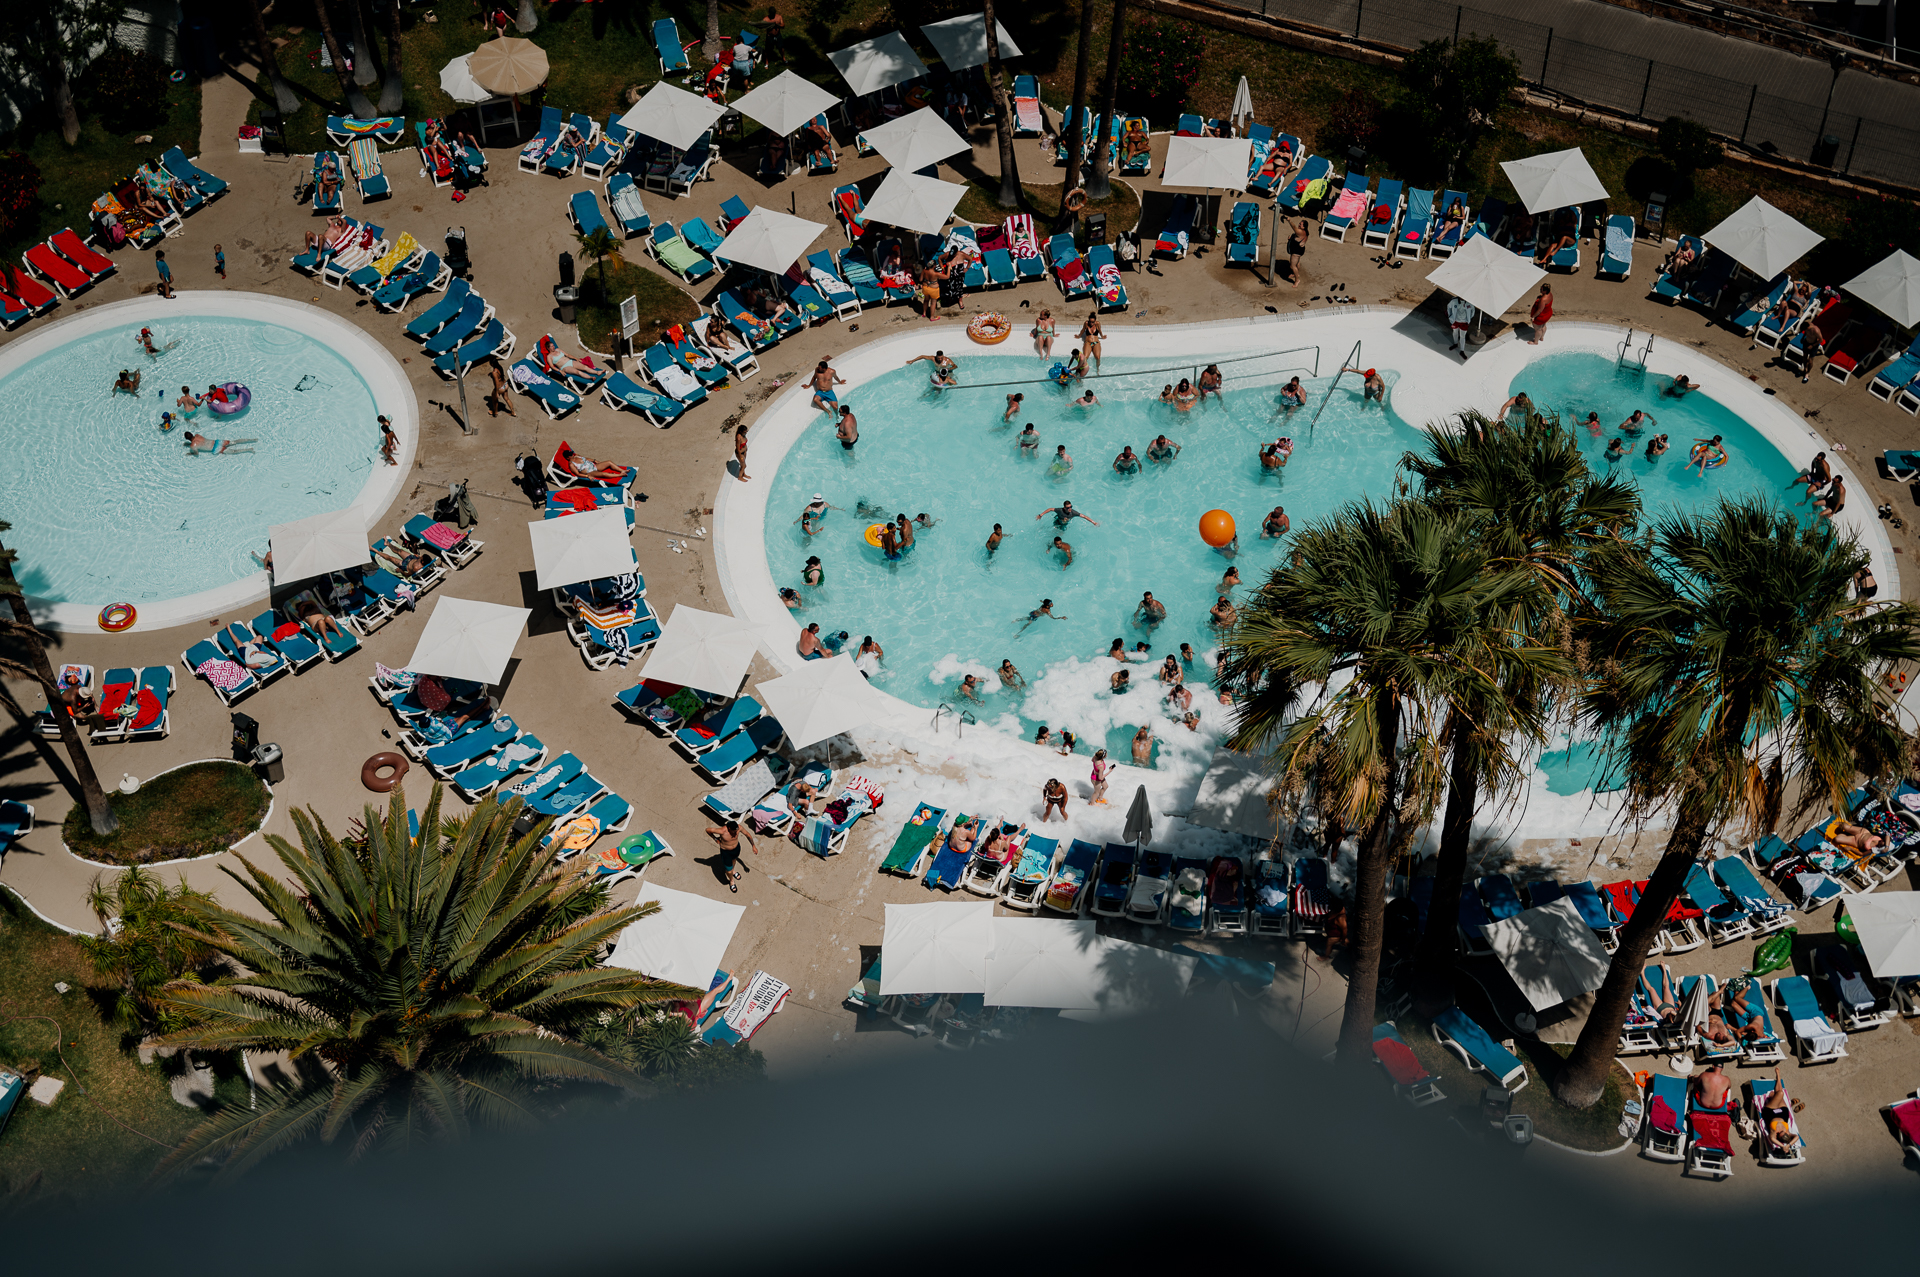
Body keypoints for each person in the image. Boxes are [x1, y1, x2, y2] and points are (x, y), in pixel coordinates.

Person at [706, 818, 756, 891]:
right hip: (726, 852)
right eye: (734, 831)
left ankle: (733, 871)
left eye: (736, 830)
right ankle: (731, 881)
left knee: (734, 861)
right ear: (729, 828)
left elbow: (747, 835)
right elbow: (708, 830)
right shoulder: (722, 831)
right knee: (728, 871)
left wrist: (753, 846)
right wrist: (715, 839)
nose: (736, 833)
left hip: (736, 849)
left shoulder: (738, 828)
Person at [183, 432, 254, 454]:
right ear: (192, 434)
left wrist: (190, 453)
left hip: (215, 448)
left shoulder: (192, 446)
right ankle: (251, 440)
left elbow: (196, 453)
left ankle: (249, 449)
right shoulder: (197, 435)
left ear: (187, 439)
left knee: (234, 451)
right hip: (217, 442)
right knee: (234, 441)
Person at [1286, 218, 1308, 287]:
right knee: (1297, 262)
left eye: (1300, 225)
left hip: (1296, 251)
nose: (1299, 225)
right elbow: (1297, 238)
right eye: (1299, 223)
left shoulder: (1301, 232)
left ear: (1304, 227)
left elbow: (1294, 228)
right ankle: (1296, 274)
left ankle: (1297, 280)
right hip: (1300, 250)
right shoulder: (1305, 232)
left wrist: (1289, 221)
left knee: (1292, 266)